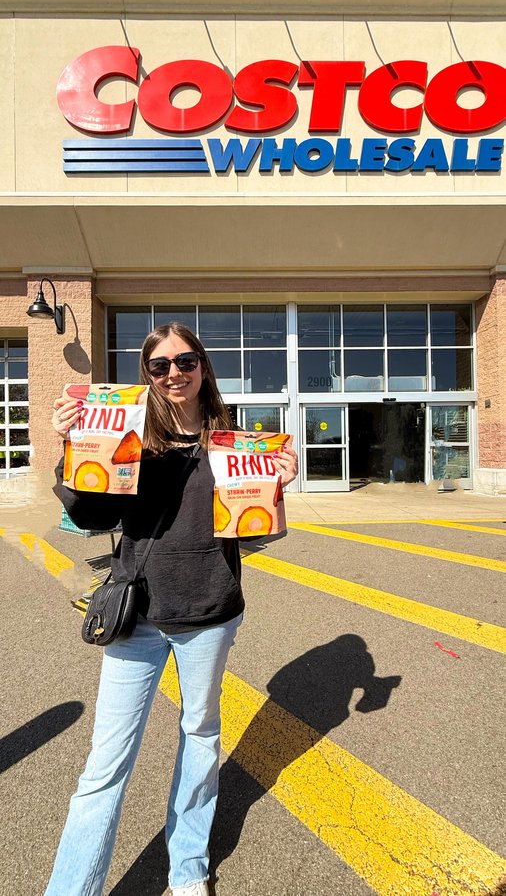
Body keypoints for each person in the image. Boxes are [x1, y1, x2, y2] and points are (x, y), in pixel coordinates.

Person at [46, 322, 298, 896]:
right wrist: (67, 448)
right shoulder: (131, 437)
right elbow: (89, 516)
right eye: (159, 367)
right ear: (148, 377)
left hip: (209, 611)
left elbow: (255, 536)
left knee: (200, 738)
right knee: (105, 765)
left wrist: (278, 488)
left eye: (184, 362)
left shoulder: (234, 444)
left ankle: (187, 868)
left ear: (203, 367)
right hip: (139, 614)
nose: (173, 374)